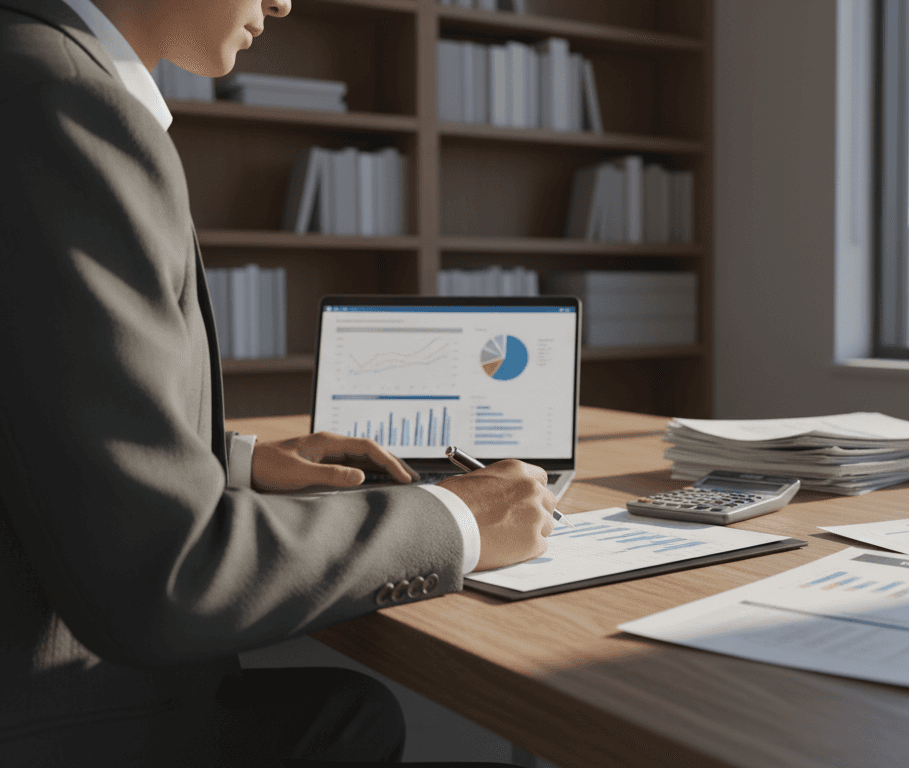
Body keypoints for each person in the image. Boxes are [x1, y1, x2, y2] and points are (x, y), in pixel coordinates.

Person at [0, 0, 554, 764]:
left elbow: (32, 396)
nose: (284, 1)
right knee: (348, 719)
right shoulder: (63, 98)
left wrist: (233, 461)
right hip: (42, 712)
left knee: (347, 712)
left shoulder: (34, 69)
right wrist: (453, 521)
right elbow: (162, 574)